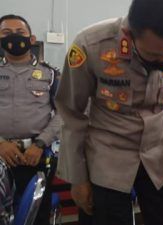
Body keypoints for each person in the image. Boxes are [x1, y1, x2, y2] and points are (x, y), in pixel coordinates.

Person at [54, 0, 163, 224]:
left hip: (157, 158)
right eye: (154, 55)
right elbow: (72, 114)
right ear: (129, 34)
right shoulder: (91, 46)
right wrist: (77, 178)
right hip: (107, 158)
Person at [0, 14, 60, 225]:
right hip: (1, 156)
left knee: (37, 215)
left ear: (31, 39)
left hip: (37, 155)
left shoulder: (50, 75)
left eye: (20, 33)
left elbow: (65, 114)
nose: (14, 38)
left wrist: (40, 144)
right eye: (7, 33)